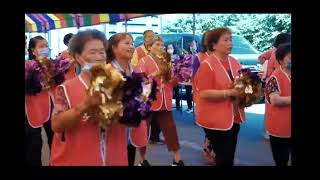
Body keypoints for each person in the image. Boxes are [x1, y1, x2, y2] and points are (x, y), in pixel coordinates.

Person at [50, 29, 128, 166]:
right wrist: (84, 105)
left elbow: (132, 120)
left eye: (102, 52)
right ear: (78, 57)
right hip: (77, 159)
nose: (99, 56)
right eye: (93, 52)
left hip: (115, 158)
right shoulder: (66, 88)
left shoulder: (119, 83)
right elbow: (56, 125)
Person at [193, 28, 245, 166]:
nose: (230, 43)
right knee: (224, 157)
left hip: (233, 116)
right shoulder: (207, 65)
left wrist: (249, 92)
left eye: (231, 39)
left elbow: (242, 82)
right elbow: (203, 93)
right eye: (226, 40)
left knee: (228, 156)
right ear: (214, 45)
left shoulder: (235, 62)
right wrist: (229, 93)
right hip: (215, 119)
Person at [135, 35, 185, 166]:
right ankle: (142, 160)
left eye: (162, 45)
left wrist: (178, 76)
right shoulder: (144, 61)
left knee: (171, 130)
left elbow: (172, 82)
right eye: (157, 45)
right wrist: (154, 76)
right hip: (149, 103)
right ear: (149, 47)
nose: (160, 47)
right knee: (143, 132)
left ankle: (177, 160)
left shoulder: (167, 61)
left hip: (165, 102)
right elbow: (139, 82)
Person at [25, 36, 54, 166]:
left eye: (46, 45)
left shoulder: (51, 65)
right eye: (41, 46)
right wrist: (37, 86)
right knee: (35, 145)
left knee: (54, 140)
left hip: (50, 106)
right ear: (33, 50)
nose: (45, 49)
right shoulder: (27, 66)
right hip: (32, 109)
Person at [258, 33, 291, 140]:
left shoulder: (273, 52)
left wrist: (266, 65)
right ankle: (273, 132)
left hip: (270, 80)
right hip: (276, 81)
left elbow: (260, 58)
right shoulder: (280, 54)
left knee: (270, 109)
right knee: (276, 107)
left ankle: (268, 131)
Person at [265, 43, 291, 166]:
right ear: (280, 60)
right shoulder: (274, 78)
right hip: (279, 128)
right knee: (282, 160)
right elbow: (275, 100)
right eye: (290, 58)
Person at [192, 31, 216, 165]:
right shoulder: (199, 57)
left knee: (216, 126)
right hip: (204, 97)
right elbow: (195, 78)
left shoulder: (222, 57)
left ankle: (212, 150)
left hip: (220, 98)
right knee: (209, 127)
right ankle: (208, 151)